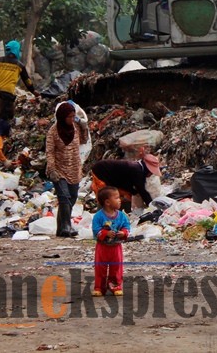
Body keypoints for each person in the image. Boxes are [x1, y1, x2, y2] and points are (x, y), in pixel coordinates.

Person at [46, 102, 83, 238]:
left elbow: (84, 140)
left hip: (74, 168)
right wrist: (51, 169)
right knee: (64, 197)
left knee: (72, 197)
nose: (72, 119)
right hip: (59, 168)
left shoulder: (76, 128)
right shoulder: (53, 132)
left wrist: (84, 127)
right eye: (69, 117)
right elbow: (49, 152)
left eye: (73, 116)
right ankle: (67, 225)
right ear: (62, 117)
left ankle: (61, 228)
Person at [91, 186, 131, 297]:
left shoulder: (122, 216)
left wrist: (123, 233)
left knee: (116, 267)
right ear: (108, 202)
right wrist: (105, 233)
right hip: (102, 247)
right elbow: (95, 229)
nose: (120, 200)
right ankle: (99, 287)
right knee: (100, 268)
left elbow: (126, 226)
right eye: (117, 197)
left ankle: (115, 286)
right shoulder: (98, 216)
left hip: (116, 247)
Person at [91, 155, 162, 213]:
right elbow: (142, 191)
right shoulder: (137, 170)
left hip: (113, 179)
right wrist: (151, 206)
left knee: (125, 196)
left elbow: (131, 187)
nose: (151, 174)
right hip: (100, 172)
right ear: (148, 169)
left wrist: (133, 192)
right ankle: (102, 218)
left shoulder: (138, 168)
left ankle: (123, 213)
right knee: (107, 196)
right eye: (151, 172)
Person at [0, 40, 37, 125]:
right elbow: (27, 81)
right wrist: (34, 92)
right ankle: (1, 130)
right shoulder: (19, 65)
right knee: (7, 115)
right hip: (8, 93)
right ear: (16, 50)